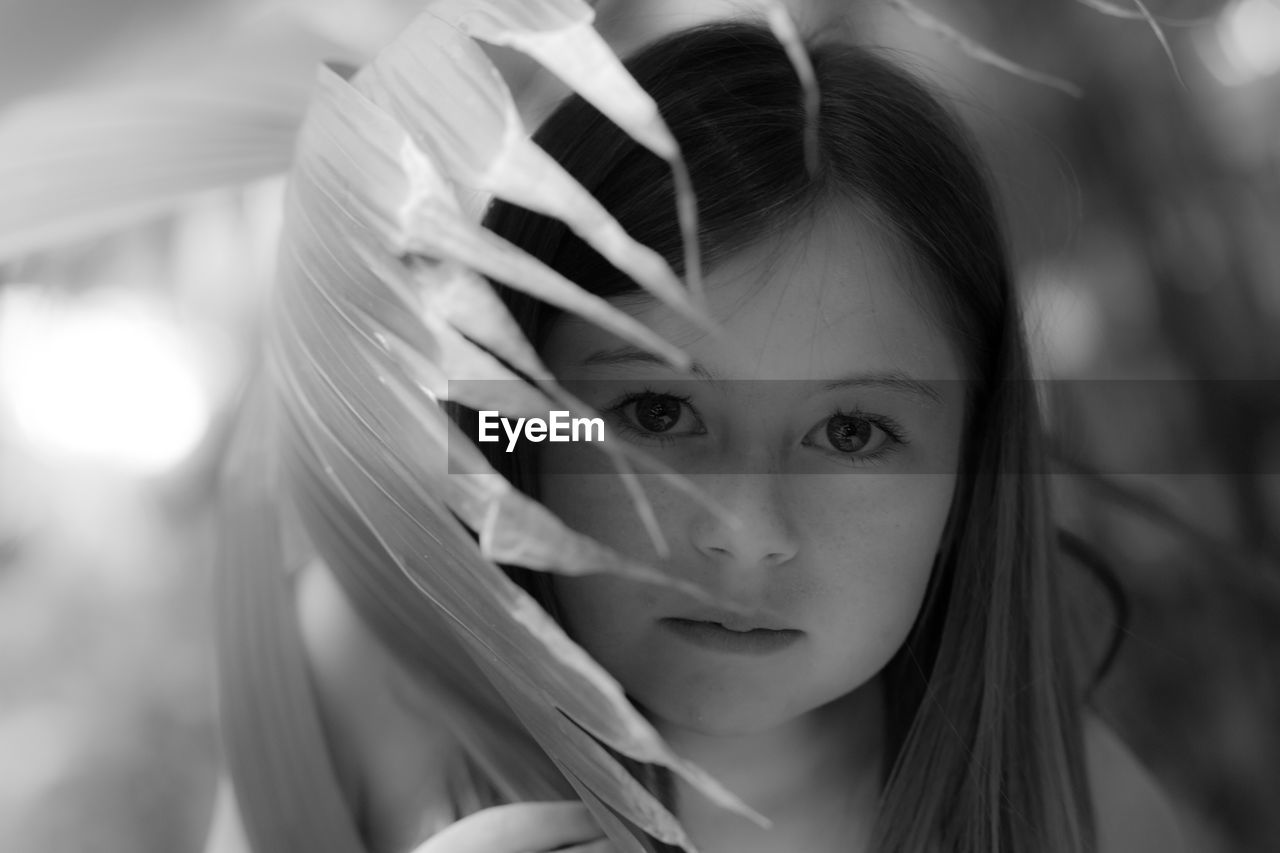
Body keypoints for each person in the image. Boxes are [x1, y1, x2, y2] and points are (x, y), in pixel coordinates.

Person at [207, 19, 1186, 853]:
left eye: (851, 430)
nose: (744, 530)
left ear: (970, 473)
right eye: (656, 413)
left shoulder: (1066, 806)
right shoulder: (366, 667)